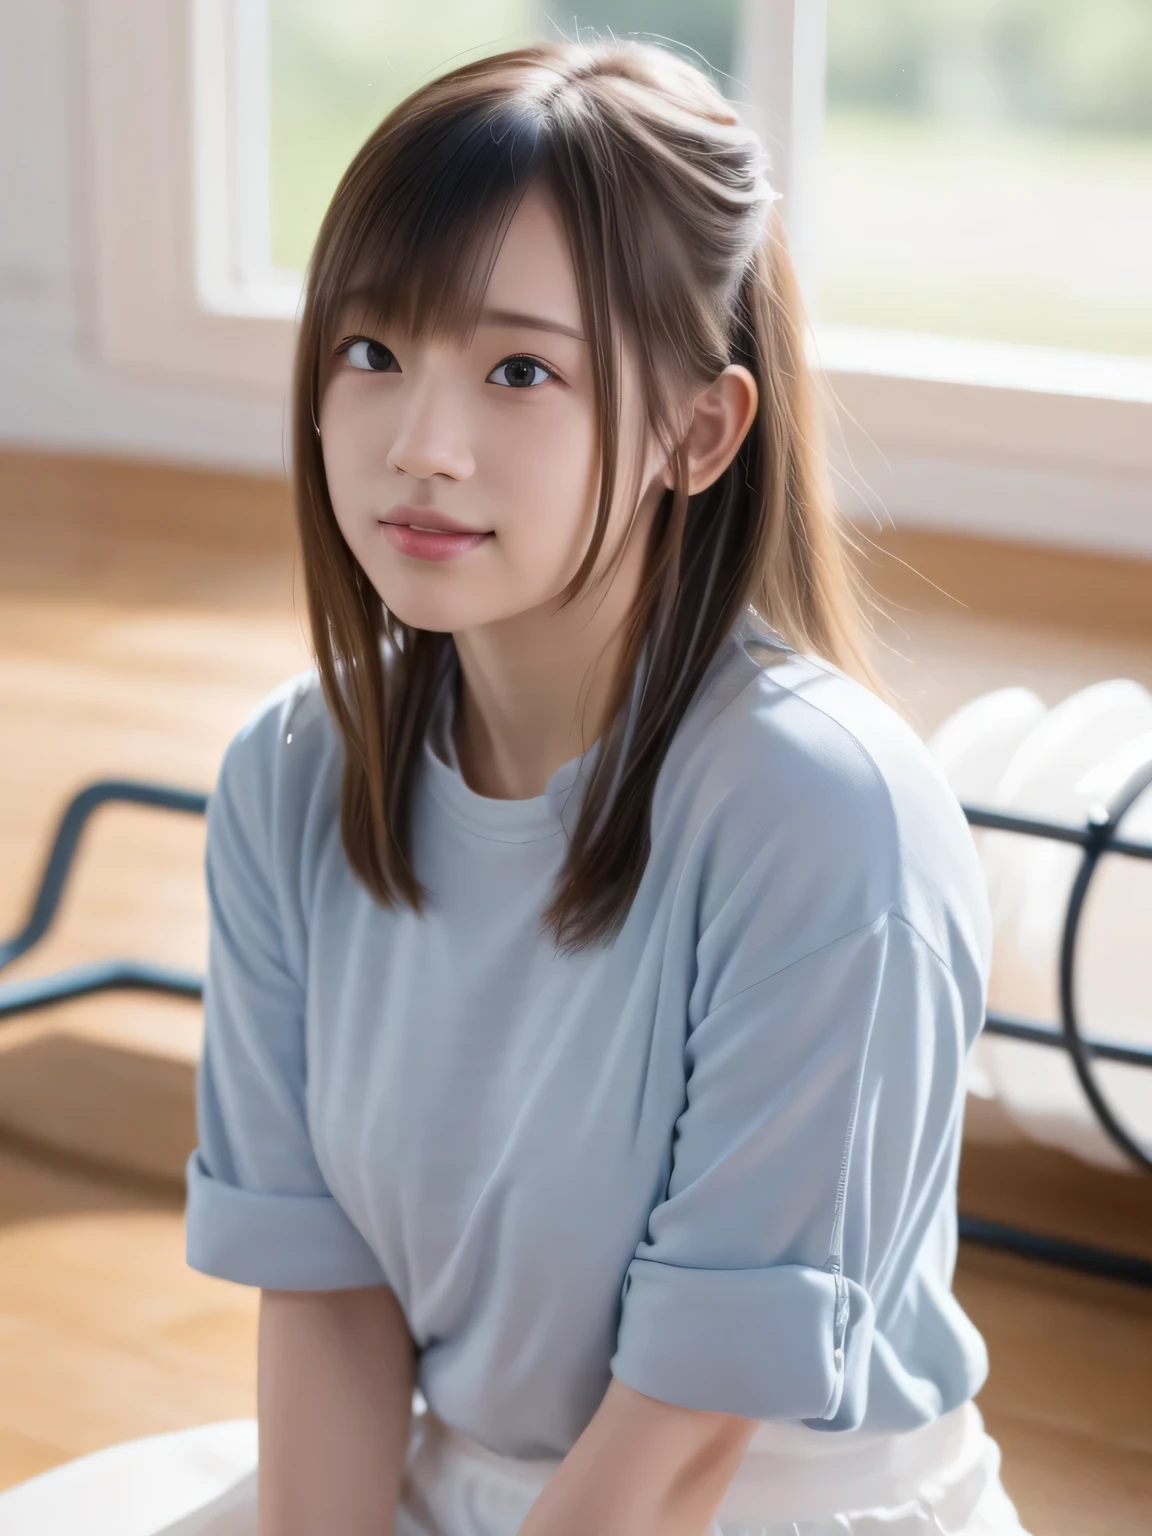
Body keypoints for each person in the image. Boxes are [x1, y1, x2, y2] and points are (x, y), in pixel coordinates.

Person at [0, 33, 1033, 1536]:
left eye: (519, 370)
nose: (420, 445)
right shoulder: (296, 774)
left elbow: (687, 1441)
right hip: (452, 1478)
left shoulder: (826, 819)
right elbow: (334, 1304)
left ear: (700, 431)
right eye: (372, 353)